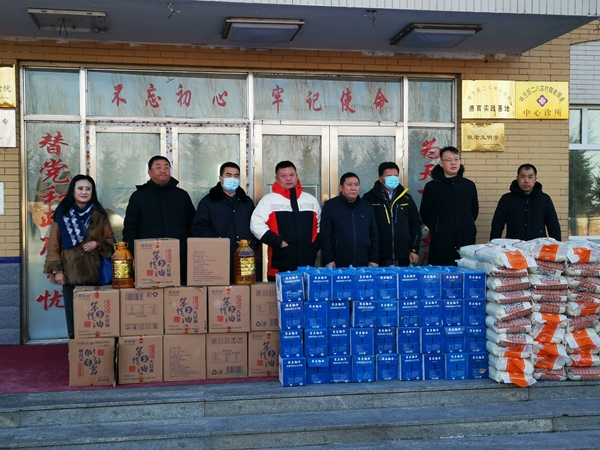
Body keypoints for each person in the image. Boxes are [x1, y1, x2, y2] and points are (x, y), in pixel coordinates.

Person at [43, 175, 115, 338]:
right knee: (73, 312)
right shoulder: (62, 213)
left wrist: (97, 243)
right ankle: (76, 346)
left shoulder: (100, 214)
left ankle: (97, 345)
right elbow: (54, 244)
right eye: (80, 188)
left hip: (96, 273)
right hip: (71, 272)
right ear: (73, 191)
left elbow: (111, 240)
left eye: (88, 189)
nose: (84, 192)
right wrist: (57, 271)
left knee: (96, 312)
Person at [123, 155, 195, 282]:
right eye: (158, 167)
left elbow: (193, 226)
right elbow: (130, 228)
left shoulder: (182, 196)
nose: (163, 170)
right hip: (148, 259)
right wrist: (132, 255)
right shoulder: (139, 196)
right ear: (149, 172)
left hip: (180, 259)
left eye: (166, 167)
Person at [250, 161, 320, 281]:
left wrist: (314, 246)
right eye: (283, 176)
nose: (288, 179)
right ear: (276, 179)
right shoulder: (269, 200)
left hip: (307, 265)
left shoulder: (310, 200)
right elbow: (255, 224)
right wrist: (278, 241)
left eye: (291, 175)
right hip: (280, 265)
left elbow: (320, 226)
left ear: (297, 176)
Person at [191, 162, 258, 283]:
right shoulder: (208, 202)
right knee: (222, 289)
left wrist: (253, 244)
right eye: (229, 175)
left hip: (245, 258)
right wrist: (219, 241)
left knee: (245, 287)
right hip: (218, 256)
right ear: (220, 178)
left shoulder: (246, 202)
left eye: (236, 176)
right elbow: (199, 228)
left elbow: (255, 226)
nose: (233, 179)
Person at [420, 146, 479, 266]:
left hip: (466, 240)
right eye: (449, 160)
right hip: (442, 241)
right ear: (441, 163)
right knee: (442, 273)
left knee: (465, 272)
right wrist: (438, 227)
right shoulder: (432, 187)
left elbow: (474, 211)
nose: (453, 163)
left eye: (456, 159)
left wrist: (466, 225)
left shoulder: (469, 185)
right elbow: (425, 214)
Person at [363, 162, 422, 267]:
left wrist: (414, 249)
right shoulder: (369, 199)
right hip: (377, 257)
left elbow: (415, 225)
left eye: (395, 176)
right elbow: (364, 228)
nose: (393, 178)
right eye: (389, 176)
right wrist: (371, 256)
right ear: (381, 179)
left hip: (403, 255)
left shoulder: (406, 199)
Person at [320, 172, 379, 268]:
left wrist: (374, 259)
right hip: (337, 262)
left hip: (364, 262)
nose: (353, 188)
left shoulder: (366, 206)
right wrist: (328, 259)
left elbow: (374, 234)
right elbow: (325, 235)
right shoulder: (330, 206)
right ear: (341, 187)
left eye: (356, 185)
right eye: (349, 185)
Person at [490, 163, 561, 241]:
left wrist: (557, 244)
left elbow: (553, 226)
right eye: (523, 177)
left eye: (530, 177)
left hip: (538, 245)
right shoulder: (506, 199)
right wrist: (493, 243)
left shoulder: (544, 199)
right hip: (514, 245)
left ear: (535, 179)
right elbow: (497, 225)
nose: (526, 181)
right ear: (517, 178)